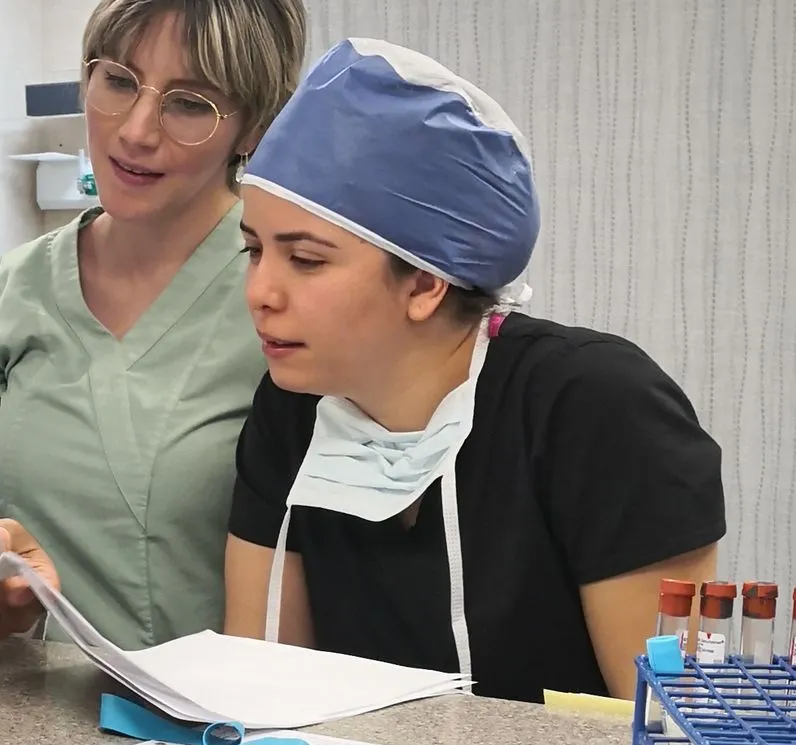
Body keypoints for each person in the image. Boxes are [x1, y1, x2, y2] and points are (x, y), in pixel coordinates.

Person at [223, 38, 723, 703]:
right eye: (254, 250)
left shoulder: (597, 411)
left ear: (426, 281)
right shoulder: (292, 409)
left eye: (306, 259)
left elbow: (671, 744)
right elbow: (259, 690)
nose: (261, 291)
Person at [0, 0, 306, 647]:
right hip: (24, 719)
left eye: (190, 104)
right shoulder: (18, 286)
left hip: (212, 735)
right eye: (117, 80)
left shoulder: (280, 301)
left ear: (253, 126)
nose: (136, 130)